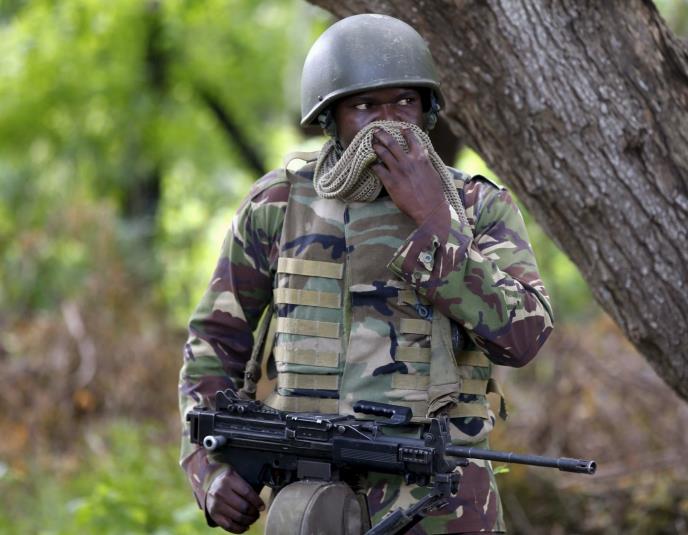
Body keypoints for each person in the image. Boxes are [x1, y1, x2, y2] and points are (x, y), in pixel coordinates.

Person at [179, 13, 553, 535]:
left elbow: (524, 338)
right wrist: (208, 470)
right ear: (330, 117)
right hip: (310, 500)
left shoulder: (475, 206)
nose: (388, 123)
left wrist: (436, 221)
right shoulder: (279, 204)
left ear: (427, 109)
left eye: (405, 101)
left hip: (442, 501)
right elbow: (214, 342)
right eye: (364, 106)